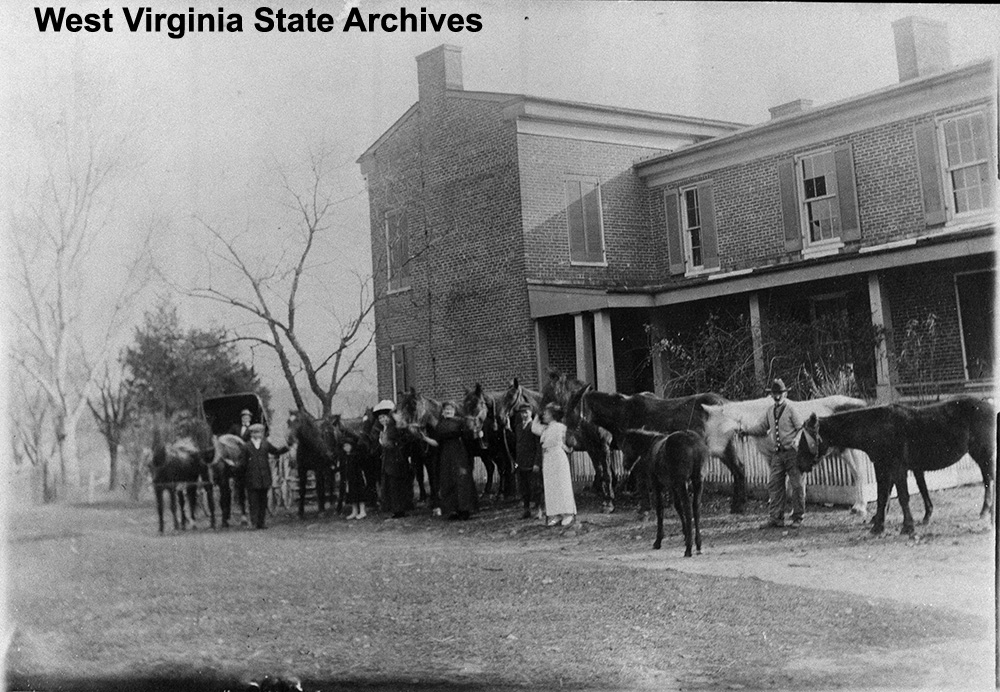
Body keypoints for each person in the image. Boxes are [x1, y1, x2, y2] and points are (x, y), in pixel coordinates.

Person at [743, 378, 806, 529]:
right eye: (774, 394)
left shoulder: (791, 409)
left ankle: (798, 517)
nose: (777, 396)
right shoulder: (770, 411)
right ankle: (776, 518)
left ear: (785, 394)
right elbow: (762, 428)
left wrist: (797, 440)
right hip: (778, 454)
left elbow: (801, 428)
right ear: (771, 395)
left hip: (792, 453)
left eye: (780, 393)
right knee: (774, 484)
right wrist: (745, 431)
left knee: (797, 485)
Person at [423, 401, 477, 520]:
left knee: (461, 479)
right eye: (446, 410)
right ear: (442, 412)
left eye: (450, 410)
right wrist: (425, 438)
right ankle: (452, 511)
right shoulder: (440, 425)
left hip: (459, 452)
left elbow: (468, 436)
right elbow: (436, 442)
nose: (448, 411)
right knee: (447, 480)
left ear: (454, 411)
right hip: (445, 454)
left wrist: (477, 433)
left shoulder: (461, 422)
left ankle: (464, 510)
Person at [531, 403, 576, 527]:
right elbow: (533, 428)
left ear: (553, 415)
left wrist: (567, 447)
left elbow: (568, 442)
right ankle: (556, 514)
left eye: (546, 413)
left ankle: (568, 514)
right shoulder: (545, 428)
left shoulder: (562, 427)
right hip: (548, 459)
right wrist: (537, 413)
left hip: (558, 458)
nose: (544, 415)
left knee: (562, 484)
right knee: (551, 486)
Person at [241, 424, 288, 530]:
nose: (258, 434)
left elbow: (276, 451)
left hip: (264, 478)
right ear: (251, 434)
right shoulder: (246, 446)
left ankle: (261, 523)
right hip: (252, 479)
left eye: (259, 432)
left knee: (263, 501)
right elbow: (243, 463)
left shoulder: (265, 444)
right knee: (253, 502)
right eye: (255, 432)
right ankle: (253, 523)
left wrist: (287, 447)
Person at [374, 399, 411, 518]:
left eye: (384, 417)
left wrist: (384, 443)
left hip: (395, 459)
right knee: (390, 486)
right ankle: (394, 508)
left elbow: (396, 442)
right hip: (387, 460)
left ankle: (399, 510)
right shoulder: (384, 430)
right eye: (380, 418)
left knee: (396, 486)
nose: (382, 420)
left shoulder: (394, 428)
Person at [512, 402, 543, 519]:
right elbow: (517, 445)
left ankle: (539, 510)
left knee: (536, 487)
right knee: (523, 488)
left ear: (531, 413)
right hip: (521, 462)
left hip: (532, 463)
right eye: (522, 413)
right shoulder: (518, 427)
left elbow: (538, 447)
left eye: (526, 412)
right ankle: (526, 510)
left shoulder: (534, 427)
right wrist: (516, 462)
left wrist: (537, 463)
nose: (524, 415)